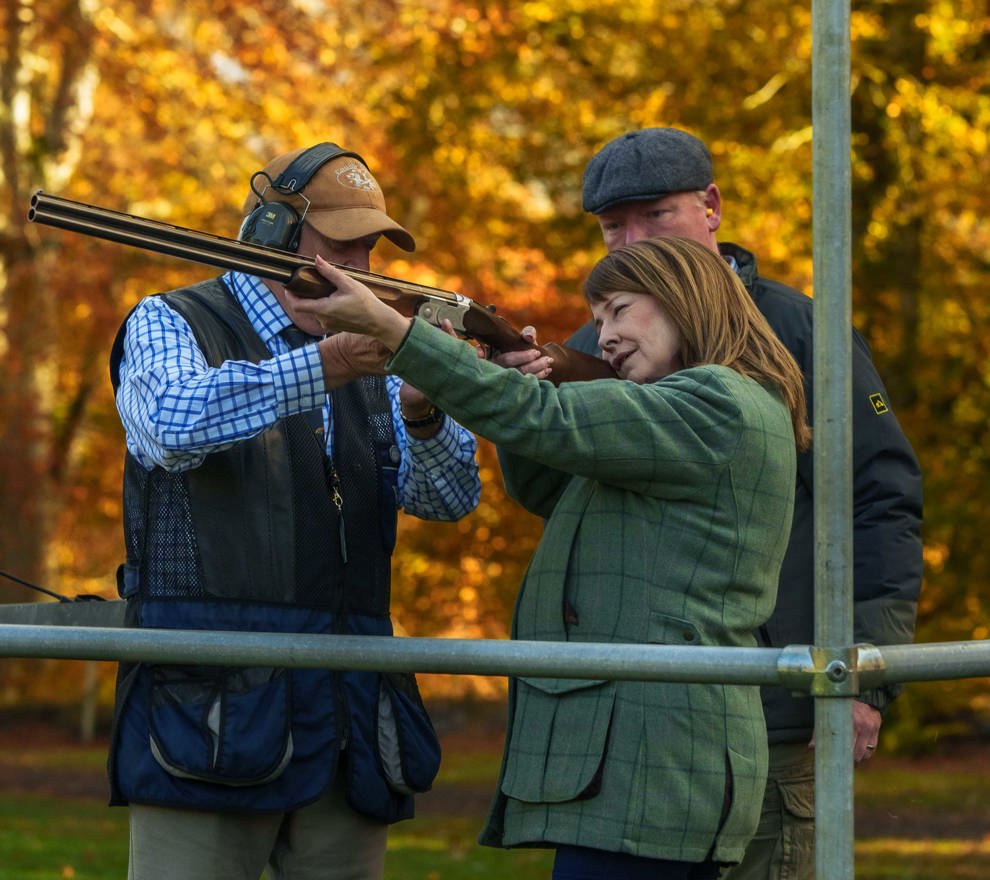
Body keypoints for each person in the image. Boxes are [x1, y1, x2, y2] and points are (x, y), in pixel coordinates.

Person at [291, 235, 812, 879]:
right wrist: (506, 381)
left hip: (652, 756)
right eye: (597, 319)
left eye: (620, 310)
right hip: (646, 756)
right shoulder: (698, 407)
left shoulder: (713, 401)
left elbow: (545, 421)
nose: (606, 337)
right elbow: (544, 482)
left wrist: (396, 333)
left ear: (685, 298)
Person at [106, 142, 481, 880]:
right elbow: (171, 425)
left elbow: (447, 499)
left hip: (349, 723)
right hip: (206, 719)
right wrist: (328, 365)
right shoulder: (170, 319)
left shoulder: (380, 347)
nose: (361, 267)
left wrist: (425, 409)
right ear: (271, 237)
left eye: (369, 248)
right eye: (341, 246)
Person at [559, 127, 923, 880]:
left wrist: (865, 672)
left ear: (712, 207)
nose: (635, 240)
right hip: (633, 721)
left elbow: (879, 499)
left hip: (773, 711)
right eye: (614, 227)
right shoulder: (592, 346)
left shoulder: (802, 331)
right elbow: (568, 512)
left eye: (656, 215)